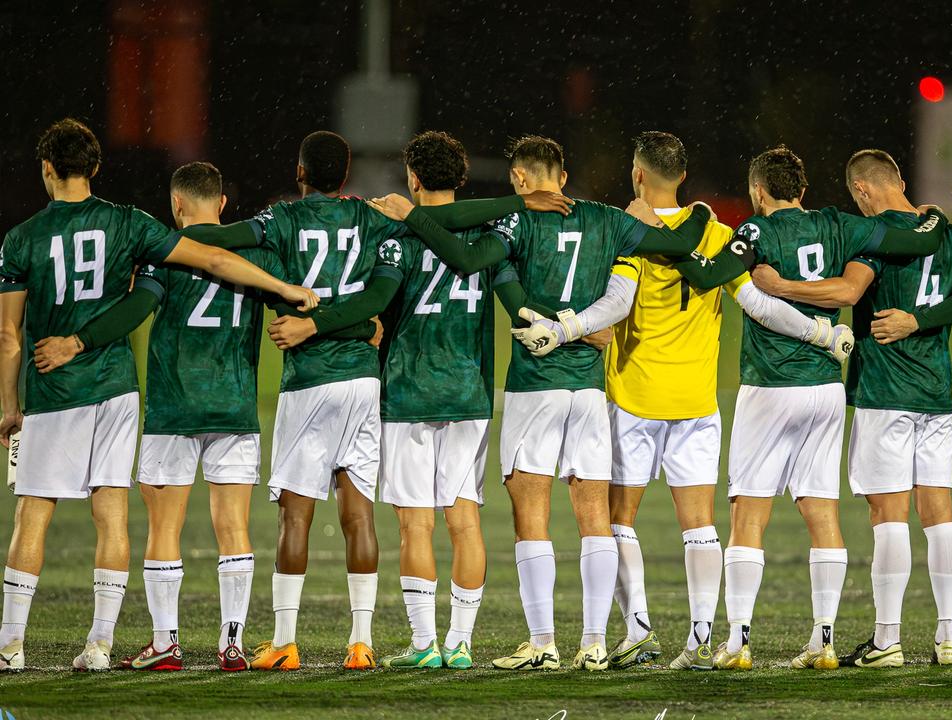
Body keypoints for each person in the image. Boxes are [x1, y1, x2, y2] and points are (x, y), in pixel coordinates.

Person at [368, 134, 712, 671]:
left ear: (521, 181)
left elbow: (463, 256)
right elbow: (677, 245)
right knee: (594, 515)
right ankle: (595, 643)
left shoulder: (518, 222)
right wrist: (696, 215)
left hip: (535, 384)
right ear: (564, 175)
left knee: (532, 518)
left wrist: (412, 215)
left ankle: (543, 642)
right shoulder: (606, 217)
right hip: (589, 387)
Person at [516, 133, 854, 671]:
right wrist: (820, 333)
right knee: (699, 524)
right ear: (683, 177)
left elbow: (617, 302)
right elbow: (758, 304)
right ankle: (699, 637)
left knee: (616, 518)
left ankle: (639, 628)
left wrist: (569, 326)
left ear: (637, 176)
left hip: (634, 394)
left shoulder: (630, 233)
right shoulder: (719, 233)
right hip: (697, 399)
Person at [29, 162, 375, 672]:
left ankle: (166, 643)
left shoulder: (163, 254)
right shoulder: (256, 255)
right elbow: (306, 306)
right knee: (233, 527)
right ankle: (230, 643)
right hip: (234, 405)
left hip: (174, 405)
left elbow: (136, 307)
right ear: (223, 205)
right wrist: (364, 326)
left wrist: (79, 340)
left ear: (176, 206)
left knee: (164, 528)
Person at [267, 130, 555, 670]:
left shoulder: (398, 237)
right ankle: (461, 643)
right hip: (468, 392)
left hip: (407, 390)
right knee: (464, 520)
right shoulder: (487, 234)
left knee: (415, 523)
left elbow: (376, 304)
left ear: (414, 179)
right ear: (461, 180)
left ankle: (425, 645)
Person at [673, 146, 949, 670]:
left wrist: (689, 239)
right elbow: (916, 238)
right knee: (821, 510)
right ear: (802, 190)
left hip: (770, 386)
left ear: (758, 192)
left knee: (748, 512)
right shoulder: (837, 224)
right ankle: (822, 639)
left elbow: (708, 276)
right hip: (826, 386)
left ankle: (737, 642)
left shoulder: (756, 233)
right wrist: (932, 218)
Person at [750, 149, 952, 667]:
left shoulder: (874, 237)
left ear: (864, 190)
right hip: (938, 391)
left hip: (885, 388)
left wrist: (781, 287)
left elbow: (847, 291)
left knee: (887, 514)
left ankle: (888, 639)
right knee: (940, 515)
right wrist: (925, 318)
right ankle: (949, 637)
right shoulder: (950, 235)